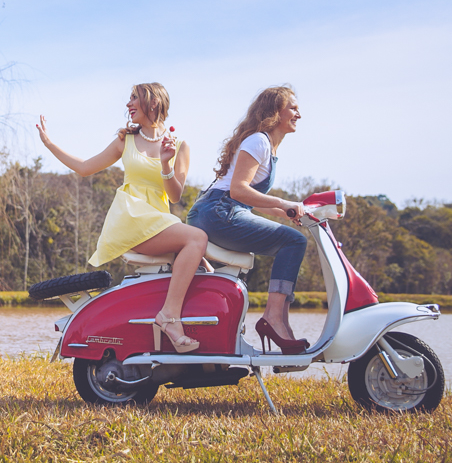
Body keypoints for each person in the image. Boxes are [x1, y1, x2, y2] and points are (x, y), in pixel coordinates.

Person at [36, 83, 208, 353]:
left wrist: (166, 163)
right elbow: (84, 168)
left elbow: (175, 196)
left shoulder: (180, 145)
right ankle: (169, 318)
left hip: (158, 222)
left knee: (202, 256)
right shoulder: (125, 140)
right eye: (128, 99)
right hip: (131, 218)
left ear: (153, 104)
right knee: (198, 238)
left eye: (133, 99)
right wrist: (50, 144)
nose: (128, 105)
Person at [186, 86, 310, 355]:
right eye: (293, 108)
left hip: (219, 209)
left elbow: (249, 199)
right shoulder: (259, 141)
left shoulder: (267, 146)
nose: (299, 113)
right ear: (275, 112)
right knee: (294, 242)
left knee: (293, 239)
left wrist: (294, 212)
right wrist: (282, 202)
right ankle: (274, 319)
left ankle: (278, 321)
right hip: (219, 210)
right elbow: (238, 191)